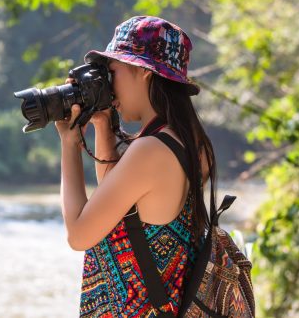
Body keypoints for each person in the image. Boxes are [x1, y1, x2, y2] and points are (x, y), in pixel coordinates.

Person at [55, 16, 214, 317]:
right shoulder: (187, 142)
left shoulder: (149, 151)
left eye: (112, 72)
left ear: (142, 71)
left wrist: (69, 144)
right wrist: (104, 125)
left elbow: (78, 234)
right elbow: (123, 207)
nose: (109, 85)